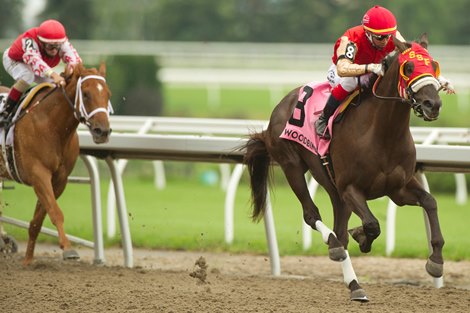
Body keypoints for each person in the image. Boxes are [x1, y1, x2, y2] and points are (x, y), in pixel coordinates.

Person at [314, 5, 454, 139]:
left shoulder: (392, 36)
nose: (385, 41)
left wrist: (439, 78)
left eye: (388, 36)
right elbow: (342, 69)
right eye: (380, 37)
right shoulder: (351, 39)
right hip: (343, 72)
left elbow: (412, 59)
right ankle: (324, 119)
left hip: (374, 68)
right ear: (368, 33)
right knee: (350, 82)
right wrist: (369, 67)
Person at [1, 19, 82, 126]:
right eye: (50, 46)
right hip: (14, 59)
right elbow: (35, 61)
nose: (54, 50)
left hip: (34, 63)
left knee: (53, 86)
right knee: (27, 76)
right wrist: (54, 75)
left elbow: (75, 60)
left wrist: (73, 71)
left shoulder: (61, 42)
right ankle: (6, 111)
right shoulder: (30, 40)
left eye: (57, 46)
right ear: (41, 42)